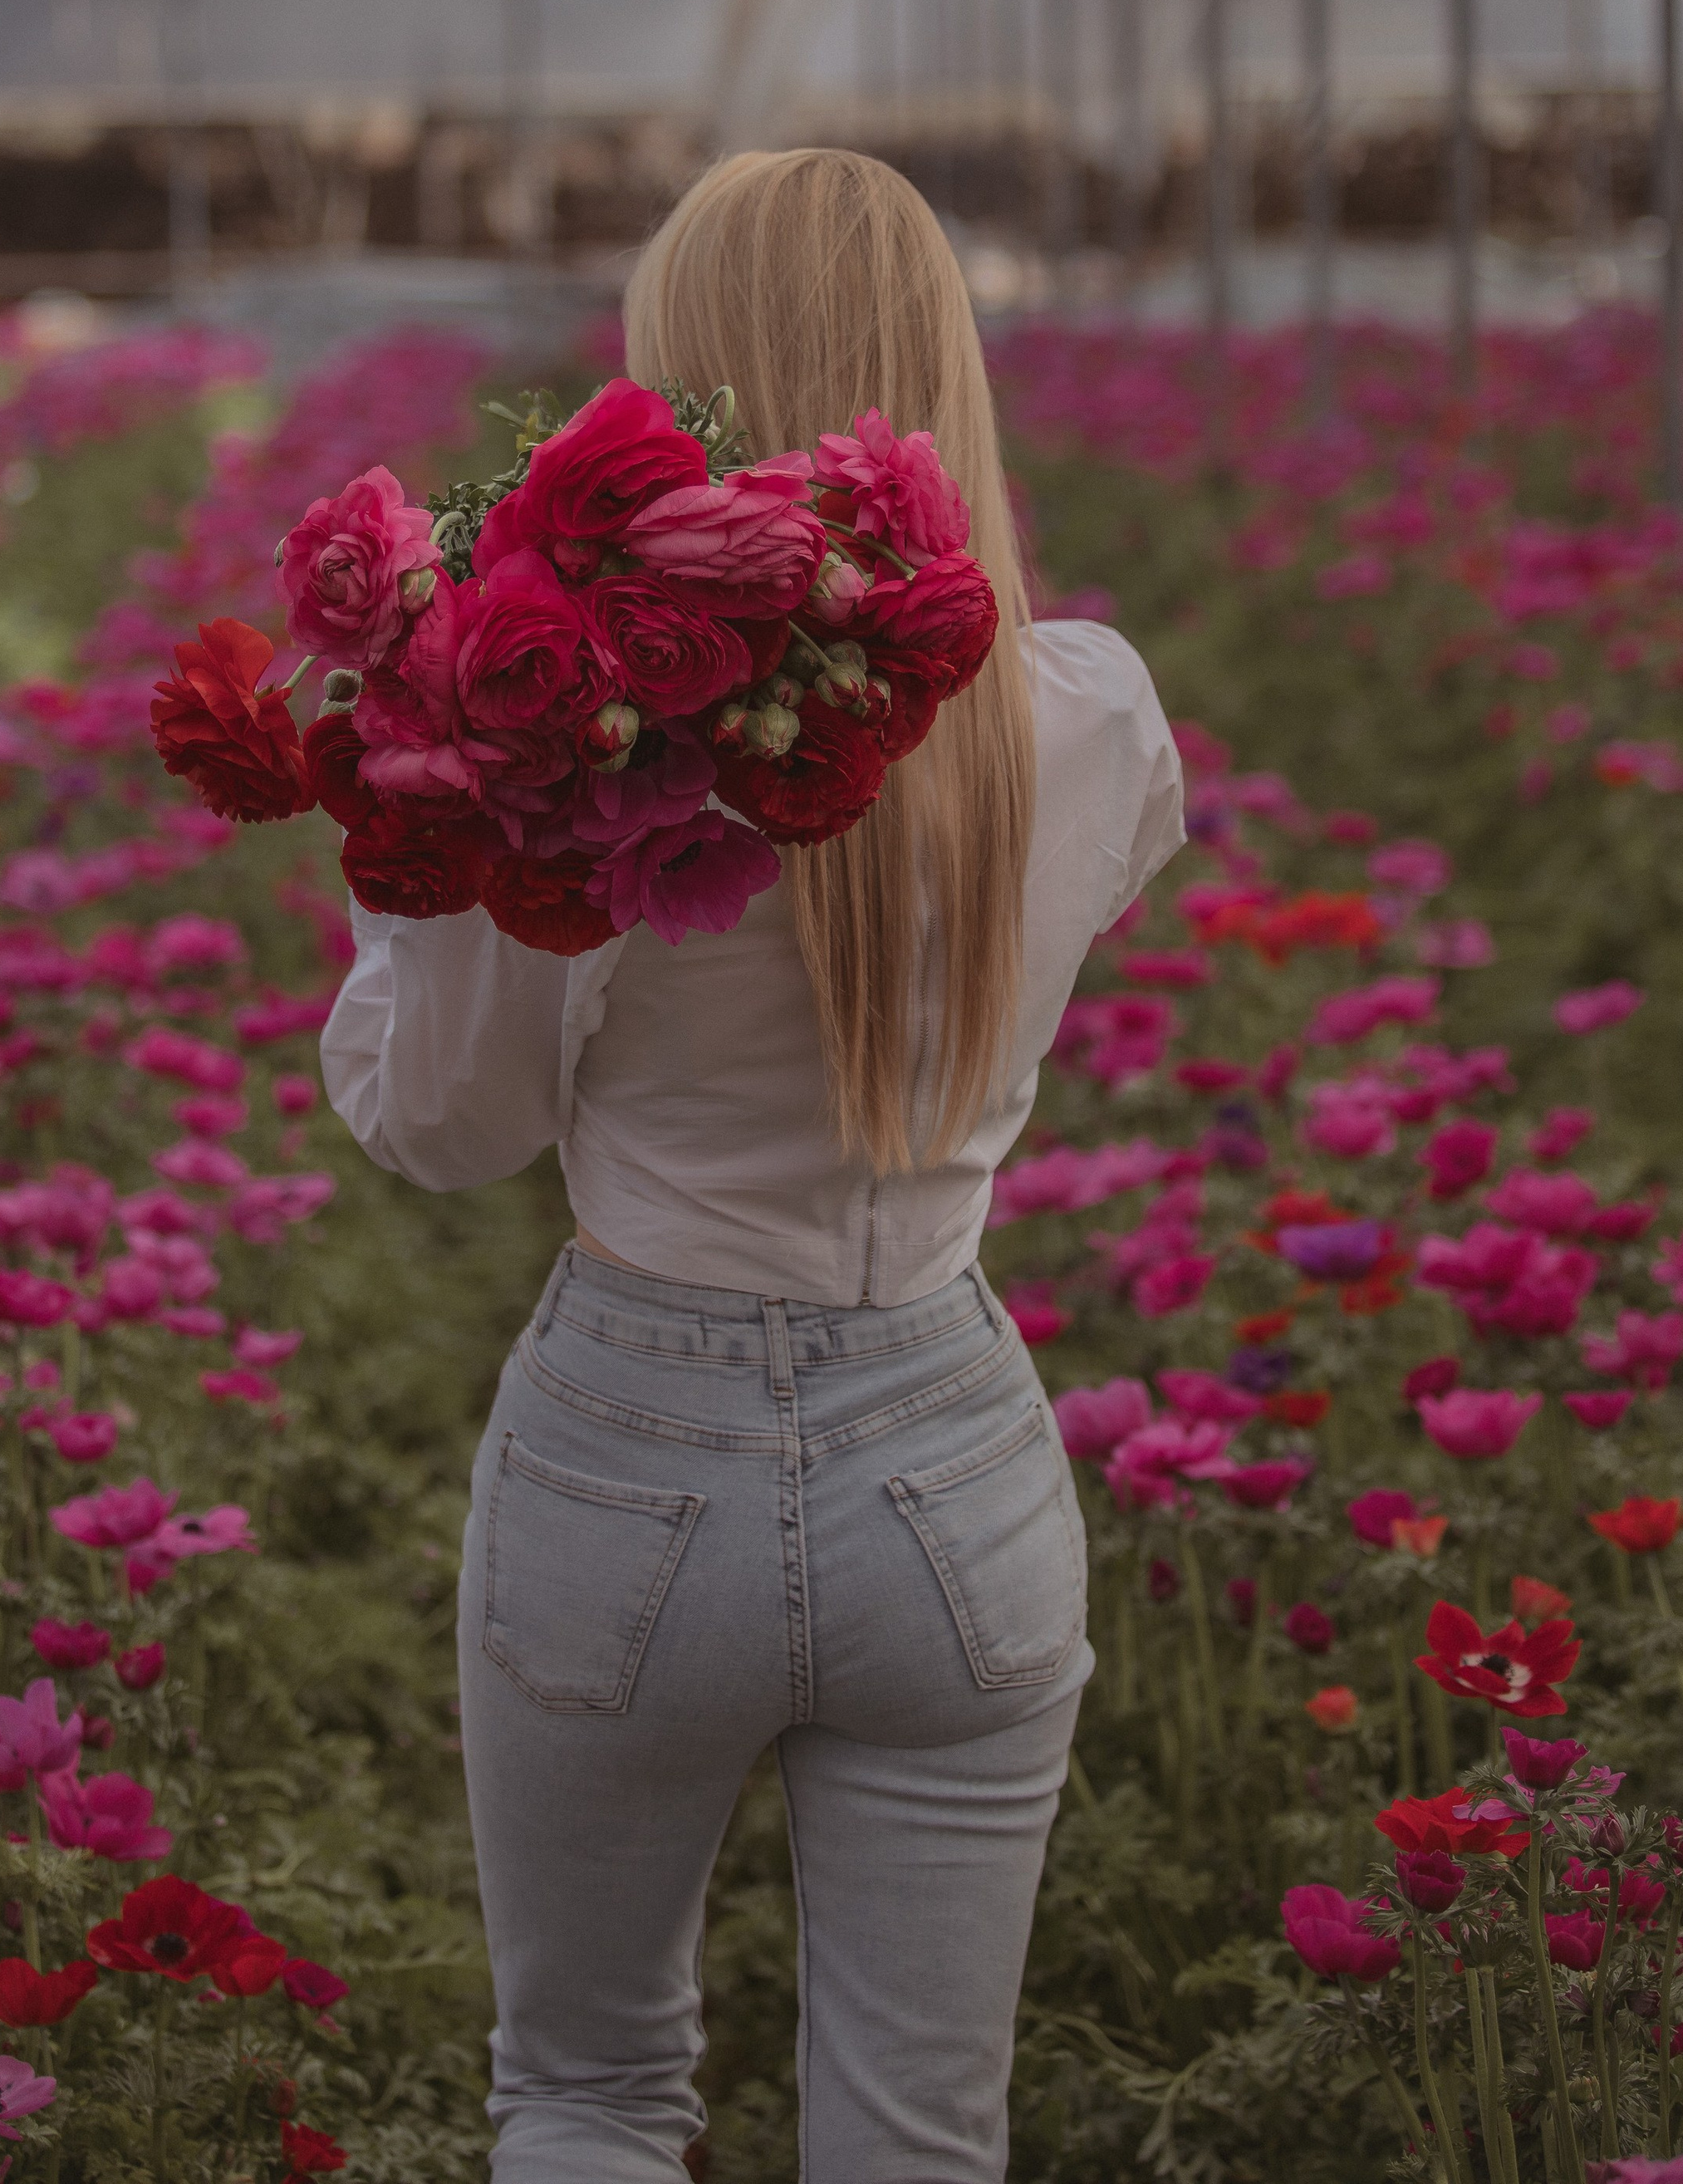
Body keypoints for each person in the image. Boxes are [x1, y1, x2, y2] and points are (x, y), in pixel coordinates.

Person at [321, 149, 1184, 2183]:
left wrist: (419, 850)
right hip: (954, 1465)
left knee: (589, 2095)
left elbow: (444, 1130)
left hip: (628, 1453)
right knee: (920, 2134)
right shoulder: (1086, 715)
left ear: (672, 387)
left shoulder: (575, 755)